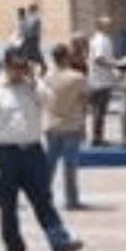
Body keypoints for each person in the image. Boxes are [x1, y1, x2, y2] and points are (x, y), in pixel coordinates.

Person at [0, 47, 84, 251]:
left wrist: (35, 82)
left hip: (33, 151)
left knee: (43, 198)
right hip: (6, 153)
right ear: (5, 66)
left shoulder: (33, 86)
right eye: (15, 66)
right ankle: (14, 248)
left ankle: (59, 240)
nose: (19, 71)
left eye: (23, 66)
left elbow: (50, 103)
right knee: (8, 205)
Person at [41, 42, 90, 210]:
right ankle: (72, 199)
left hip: (52, 124)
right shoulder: (77, 77)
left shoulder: (46, 77)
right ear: (66, 57)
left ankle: (43, 197)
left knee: (49, 164)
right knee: (70, 165)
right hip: (71, 124)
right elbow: (85, 99)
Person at [86, 17, 119, 144]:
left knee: (101, 111)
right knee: (99, 111)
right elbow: (99, 59)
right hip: (99, 81)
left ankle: (98, 136)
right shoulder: (100, 40)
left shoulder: (105, 39)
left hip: (103, 80)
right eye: (107, 24)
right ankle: (97, 138)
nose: (109, 26)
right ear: (100, 26)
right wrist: (114, 64)